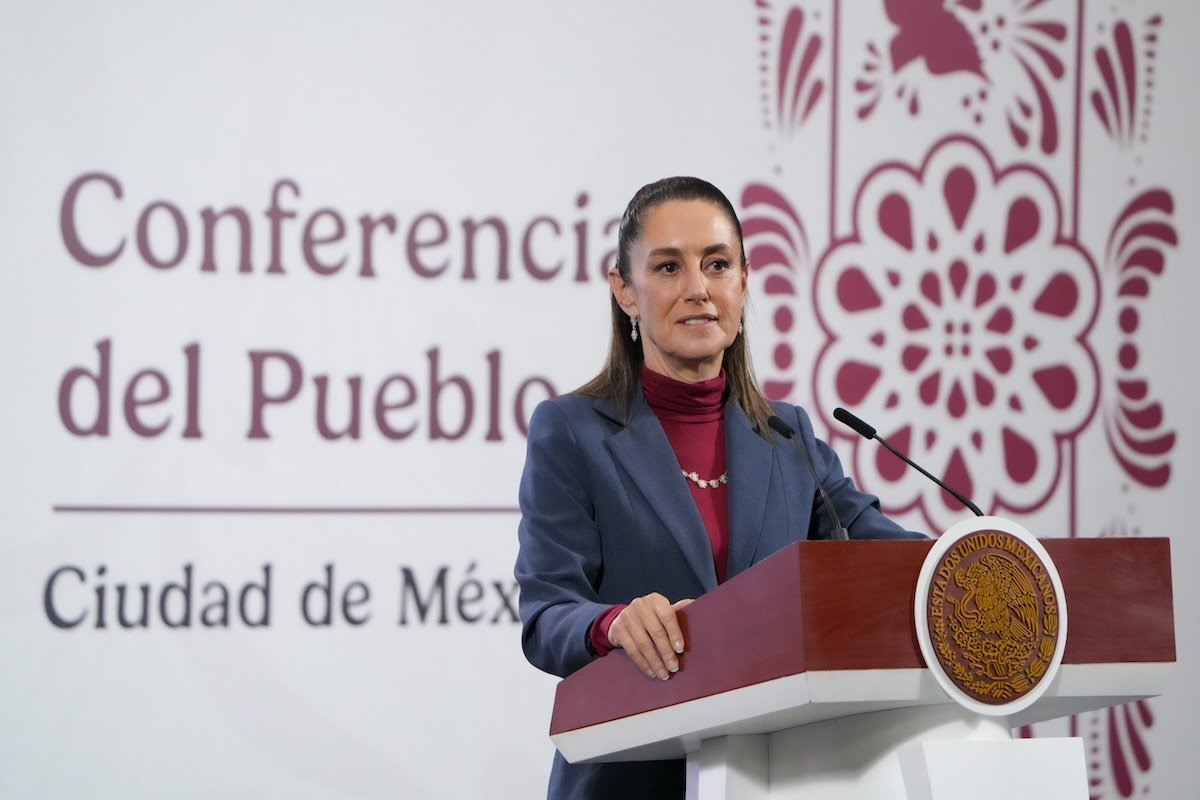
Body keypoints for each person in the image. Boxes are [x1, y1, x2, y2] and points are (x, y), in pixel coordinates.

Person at [514, 176, 925, 799]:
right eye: (668, 267)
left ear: (744, 280)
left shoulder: (787, 436)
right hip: (628, 779)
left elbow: (888, 559)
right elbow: (546, 615)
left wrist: (978, 570)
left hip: (777, 776)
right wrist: (615, 624)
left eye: (716, 264)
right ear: (624, 290)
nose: (698, 290)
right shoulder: (571, 432)